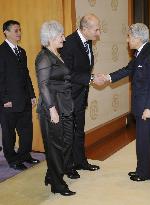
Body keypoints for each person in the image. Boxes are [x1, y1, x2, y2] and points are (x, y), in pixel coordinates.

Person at [100, 23, 150, 182]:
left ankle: (146, 173)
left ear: (137, 38)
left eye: (129, 37)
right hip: (140, 105)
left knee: (145, 140)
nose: (127, 40)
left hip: (147, 107)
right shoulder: (139, 53)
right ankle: (143, 170)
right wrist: (107, 77)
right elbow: (128, 70)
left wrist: (149, 108)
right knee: (143, 140)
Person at [35, 20, 76, 196]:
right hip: (53, 106)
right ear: (51, 37)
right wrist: (52, 109)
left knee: (66, 142)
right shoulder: (44, 57)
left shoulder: (56, 54)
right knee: (55, 146)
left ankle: (52, 175)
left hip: (64, 104)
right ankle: (58, 185)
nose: (64, 38)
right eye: (61, 35)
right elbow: (43, 85)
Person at [60, 14, 101, 174]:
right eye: (96, 30)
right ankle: (67, 166)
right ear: (84, 29)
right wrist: (90, 78)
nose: (98, 33)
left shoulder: (87, 41)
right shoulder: (69, 43)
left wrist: (90, 78)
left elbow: (83, 68)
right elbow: (66, 73)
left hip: (81, 94)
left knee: (79, 131)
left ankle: (80, 161)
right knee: (68, 133)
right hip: (68, 96)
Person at [0, 20, 39, 170]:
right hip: (8, 102)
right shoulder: (1, 51)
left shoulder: (21, 51)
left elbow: (26, 75)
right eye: (16, 31)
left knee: (26, 130)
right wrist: (5, 100)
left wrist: (32, 95)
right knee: (9, 133)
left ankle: (24, 155)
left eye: (19, 30)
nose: (19, 33)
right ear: (6, 32)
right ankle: (12, 159)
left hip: (24, 100)